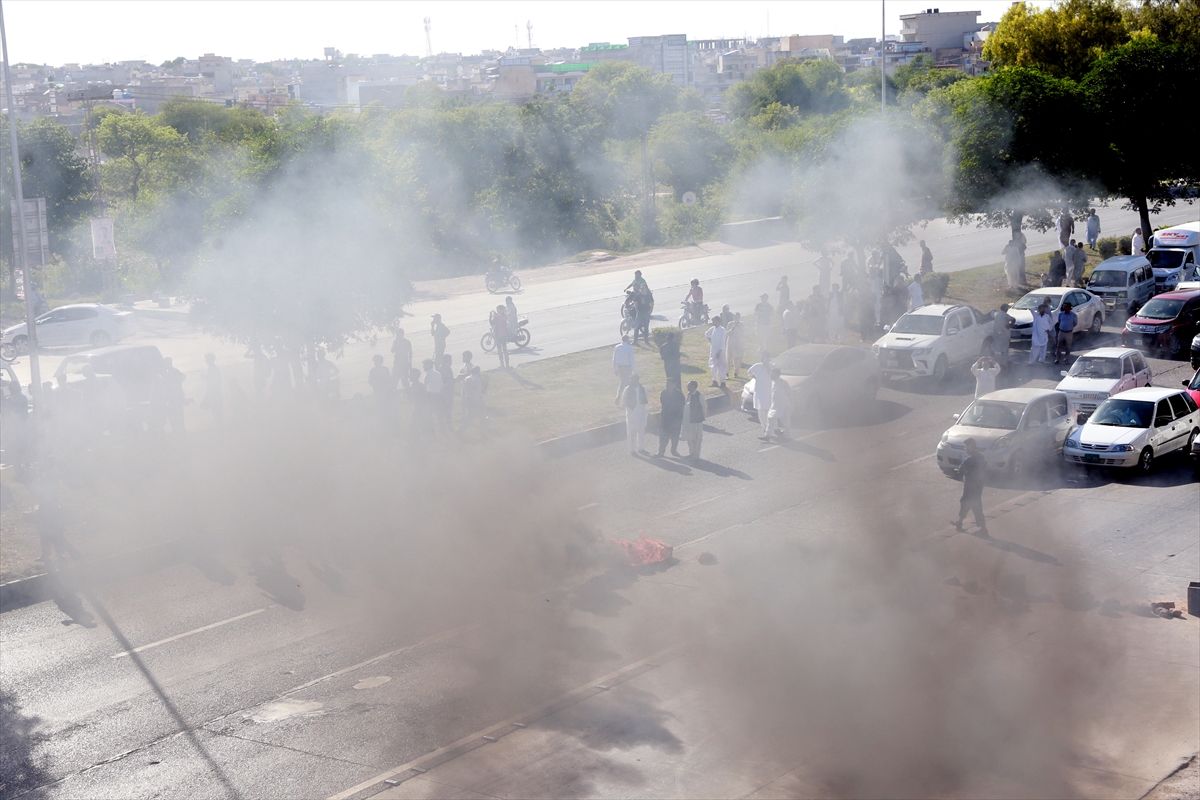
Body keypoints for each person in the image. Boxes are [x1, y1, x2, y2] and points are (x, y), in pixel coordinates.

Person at [952, 439, 988, 536]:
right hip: (979, 485)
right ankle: (959, 523)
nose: (965, 448)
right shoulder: (981, 456)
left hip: (970, 486)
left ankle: (984, 529)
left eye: (966, 446)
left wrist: (967, 473)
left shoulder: (970, 459)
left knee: (975, 506)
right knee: (965, 502)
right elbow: (984, 467)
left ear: (971, 446)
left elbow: (961, 469)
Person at [621, 373, 649, 455]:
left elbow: (645, 399)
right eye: (632, 379)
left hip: (641, 413)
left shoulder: (643, 388)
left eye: (635, 379)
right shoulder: (627, 389)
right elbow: (624, 401)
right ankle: (632, 449)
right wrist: (630, 408)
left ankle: (641, 448)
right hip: (631, 413)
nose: (634, 381)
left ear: (638, 379)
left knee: (641, 431)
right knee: (631, 432)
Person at [657, 378, 684, 457]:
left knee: (675, 435)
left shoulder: (678, 394)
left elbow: (682, 404)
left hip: (676, 419)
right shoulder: (664, 393)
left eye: (668, 383)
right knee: (663, 435)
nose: (667, 385)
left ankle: (674, 450)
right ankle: (661, 451)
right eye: (666, 383)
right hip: (666, 418)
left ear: (673, 384)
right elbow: (662, 403)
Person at [747, 360, 774, 438]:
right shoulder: (757, 366)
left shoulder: (772, 366)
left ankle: (772, 429)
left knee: (769, 412)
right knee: (761, 412)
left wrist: (767, 368)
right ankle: (765, 428)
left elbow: (774, 375)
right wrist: (755, 377)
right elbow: (749, 371)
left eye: (766, 358)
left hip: (769, 391)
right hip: (759, 392)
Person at [459, 365, 488, 437]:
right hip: (476, 400)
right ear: (478, 372)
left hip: (468, 399)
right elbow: (478, 392)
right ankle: (483, 433)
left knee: (470, 416)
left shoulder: (467, 378)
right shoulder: (477, 380)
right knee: (481, 416)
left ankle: (461, 430)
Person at [161, 357, 187, 434]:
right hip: (173, 398)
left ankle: (180, 432)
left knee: (177, 415)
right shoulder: (168, 373)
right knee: (175, 415)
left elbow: (183, 377)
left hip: (176, 398)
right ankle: (179, 431)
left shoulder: (174, 371)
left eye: (166, 363)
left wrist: (177, 384)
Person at [682, 380, 706, 461]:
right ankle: (691, 453)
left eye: (689, 385)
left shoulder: (699, 395)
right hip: (688, 420)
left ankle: (696, 455)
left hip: (696, 421)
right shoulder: (688, 395)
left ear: (693, 386)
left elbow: (704, 407)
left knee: (696, 438)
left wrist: (701, 418)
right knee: (689, 438)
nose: (687, 387)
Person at [766, 367, 792, 440]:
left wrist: (789, 402)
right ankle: (768, 435)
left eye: (772, 374)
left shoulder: (783, 382)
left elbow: (789, 392)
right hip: (775, 404)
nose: (771, 375)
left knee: (785, 421)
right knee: (770, 418)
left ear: (777, 375)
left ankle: (788, 437)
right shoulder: (772, 382)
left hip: (784, 405)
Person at [612, 335, 636, 405]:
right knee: (627, 383)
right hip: (627, 367)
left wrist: (615, 368)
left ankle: (619, 396)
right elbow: (632, 359)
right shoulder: (629, 348)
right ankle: (626, 399)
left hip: (620, 367)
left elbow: (614, 358)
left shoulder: (617, 347)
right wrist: (634, 370)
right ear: (627, 340)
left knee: (622, 381)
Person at [705, 316, 728, 388]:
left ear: (718, 321)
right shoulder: (713, 329)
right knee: (713, 367)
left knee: (721, 366)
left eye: (714, 321)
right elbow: (706, 333)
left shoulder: (722, 330)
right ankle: (715, 381)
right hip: (713, 351)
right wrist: (709, 338)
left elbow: (722, 342)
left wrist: (720, 351)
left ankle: (723, 382)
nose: (713, 322)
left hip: (720, 352)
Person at [201, 353, 223, 423]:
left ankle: (219, 426)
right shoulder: (212, 368)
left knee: (216, 409)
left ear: (210, 360)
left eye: (206, 359)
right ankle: (219, 425)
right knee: (216, 410)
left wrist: (206, 378)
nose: (205, 361)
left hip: (214, 392)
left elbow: (215, 381)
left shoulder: (213, 368)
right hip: (215, 392)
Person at [438, 353, 455, 432]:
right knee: (443, 410)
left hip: (449, 393)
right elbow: (440, 382)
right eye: (450, 360)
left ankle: (449, 426)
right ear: (447, 360)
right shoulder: (441, 370)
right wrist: (446, 385)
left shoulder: (449, 368)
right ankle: (443, 427)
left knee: (449, 410)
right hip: (444, 393)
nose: (451, 361)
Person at [754, 294, 773, 358]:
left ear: (766, 298)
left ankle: (767, 348)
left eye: (763, 297)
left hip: (766, 323)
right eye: (761, 298)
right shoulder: (758, 305)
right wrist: (757, 313)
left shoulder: (769, 306)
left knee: (767, 336)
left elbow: (771, 314)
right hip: (759, 323)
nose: (761, 299)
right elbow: (755, 311)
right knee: (759, 336)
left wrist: (765, 314)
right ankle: (761, 347)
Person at [727, 312, 745, 378]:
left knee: (738, 358)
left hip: (739, 343)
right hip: (731, 343)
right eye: (735, 317)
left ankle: (736, 373)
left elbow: (744, 332)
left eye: (738, 317)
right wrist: (733, 328)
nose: (736, 318)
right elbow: (727, 333)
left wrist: (739, 327)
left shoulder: (742, 324)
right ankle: (727, 373)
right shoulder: (730, 324)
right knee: (729, 358)